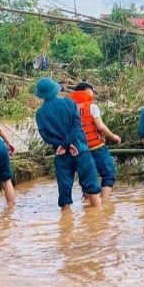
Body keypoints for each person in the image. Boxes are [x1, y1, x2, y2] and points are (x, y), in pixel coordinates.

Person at [34, 77, 102, 210]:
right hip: (80, 150)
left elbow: (45, 136)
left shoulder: (40, 113)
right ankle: (98, 221)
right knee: (92, 186)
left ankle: (65, 226)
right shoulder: (69, 103)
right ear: (55, 90)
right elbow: (77, 126)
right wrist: (68, 144)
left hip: (61, 154)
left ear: (41, 95)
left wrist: (62, 145)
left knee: (64, 192)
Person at [69, 82, 121, 202]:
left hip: (80, 149)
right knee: (108, 174)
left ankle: (89, 207)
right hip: (96, 147)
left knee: (87, 178)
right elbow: (100, 126)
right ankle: (104, 204)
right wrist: (113, 136)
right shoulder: (91, 106)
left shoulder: (71, 108)